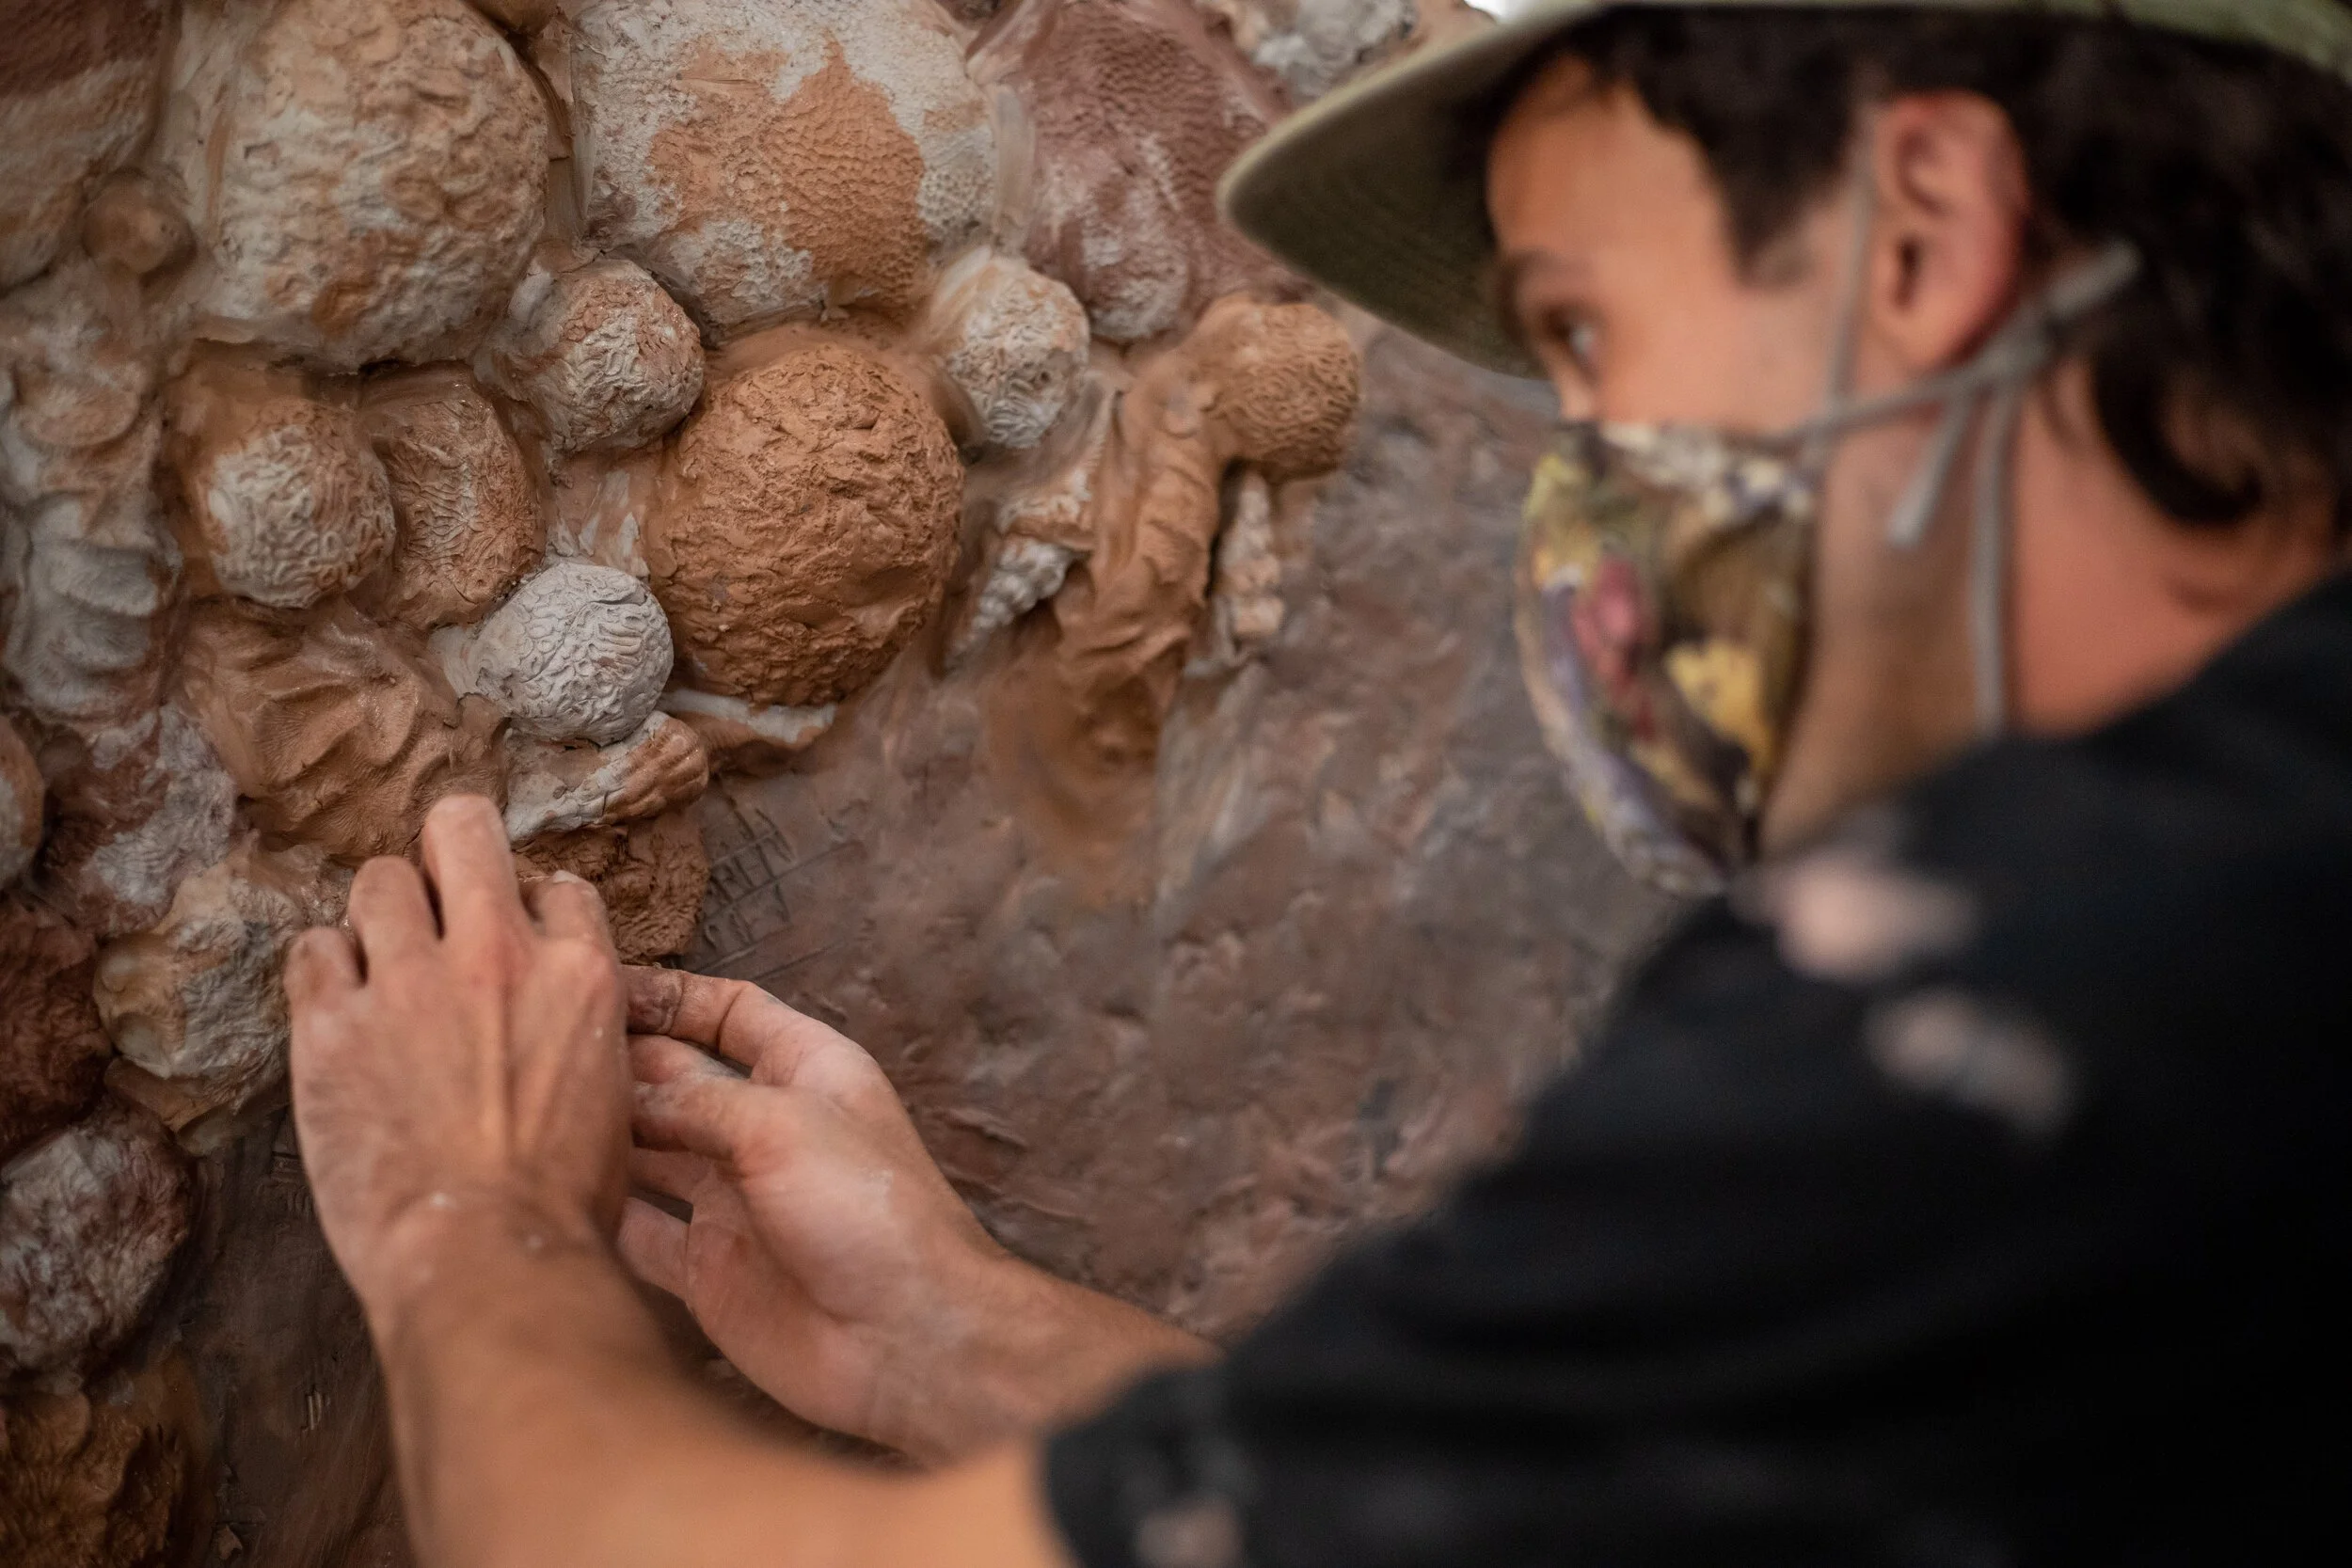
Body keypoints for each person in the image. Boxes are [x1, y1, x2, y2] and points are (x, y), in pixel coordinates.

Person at [285, 3, 2352, 1565]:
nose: (1592, 493)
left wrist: (474, 1222)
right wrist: (954, 1333)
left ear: (1928, 227)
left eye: (1589, 335)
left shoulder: (2057, 974)